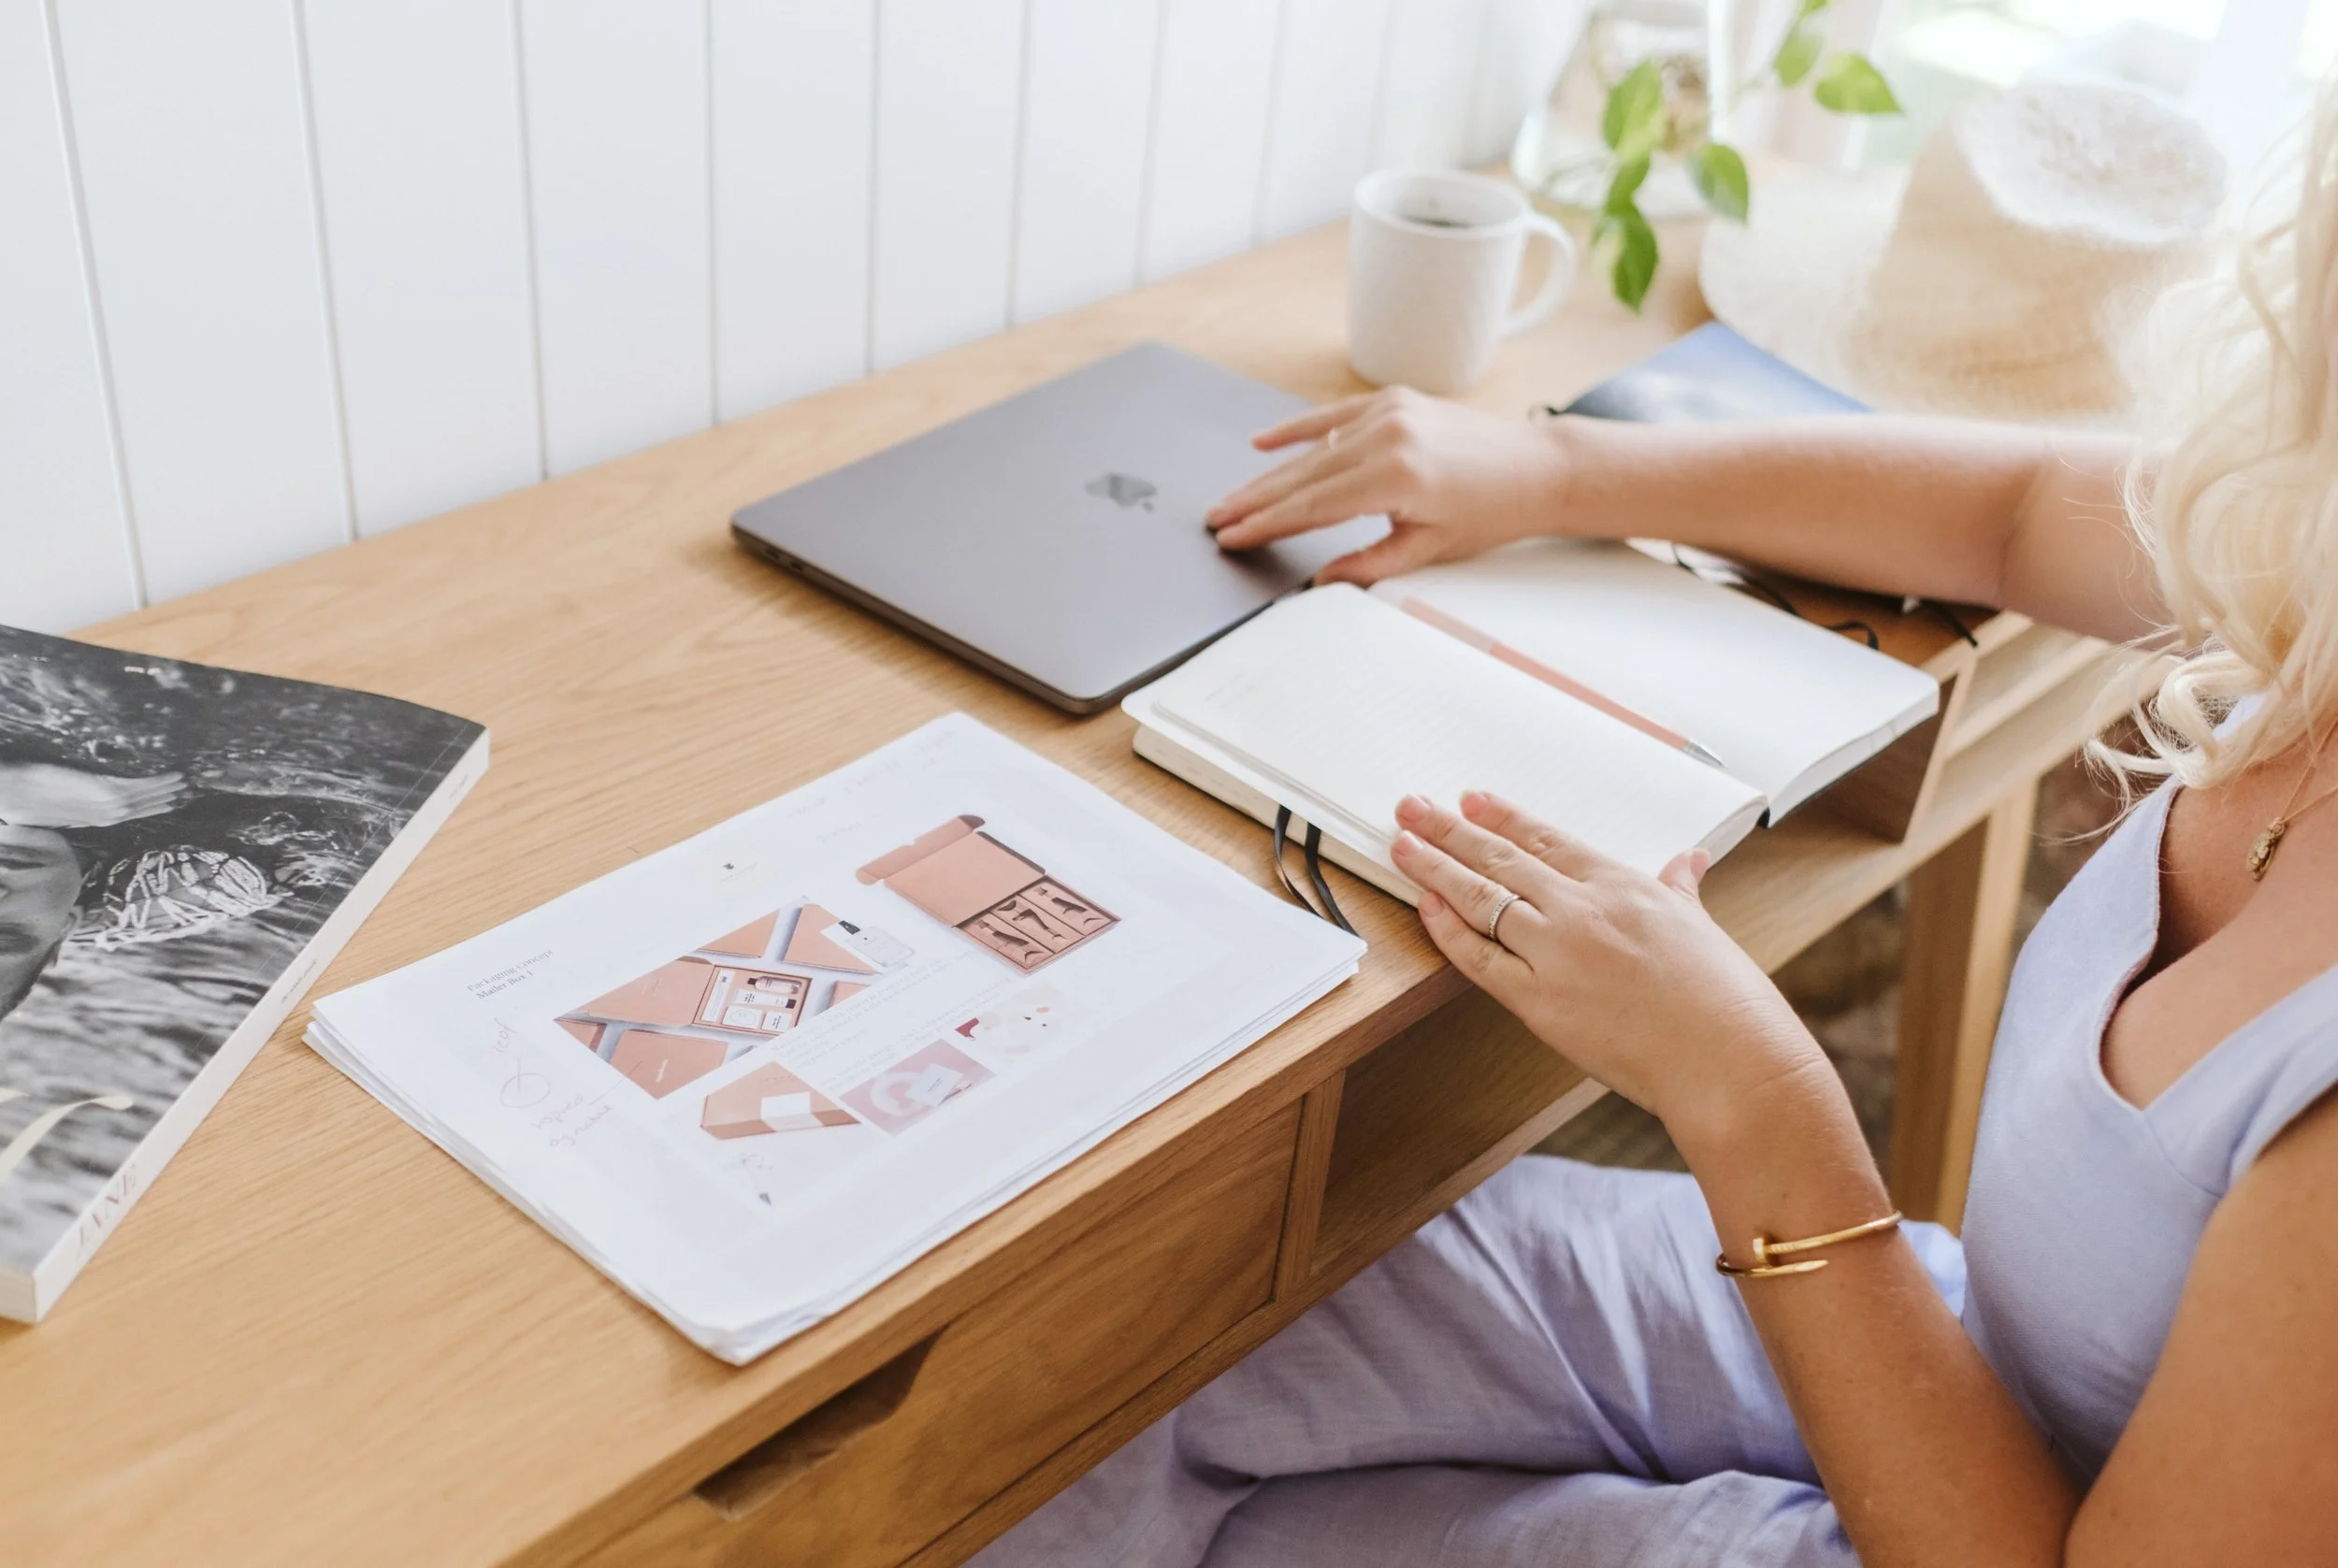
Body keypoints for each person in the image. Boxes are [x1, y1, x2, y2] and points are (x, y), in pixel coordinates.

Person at [974, 90, 2338, 1568]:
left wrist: (1750, 1096)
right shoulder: (2308, 566)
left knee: (1198, 1529)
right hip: (1964, 1337)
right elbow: (2015, 509)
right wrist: (1555, 469)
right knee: (1151, 1344)